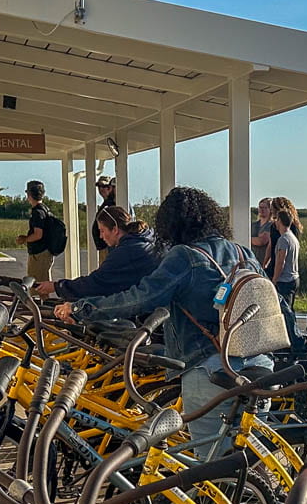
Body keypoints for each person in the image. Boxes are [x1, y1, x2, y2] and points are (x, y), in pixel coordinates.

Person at [54, 186, 272, 458]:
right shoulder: (242, 253)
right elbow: (276, 306)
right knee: (246, 463)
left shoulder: (185, 257)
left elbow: (139, 299)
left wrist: (82, 308)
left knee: (209, 471)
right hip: (258, 365)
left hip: (210, 370)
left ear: (171, 224)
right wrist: (301, 348)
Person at [37, 206, 156, 300]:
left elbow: (96, 283)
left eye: (102, 231)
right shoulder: (145, 240)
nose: (101, 236)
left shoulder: (126, 252)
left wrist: (57, 287)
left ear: (114, 229)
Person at [16, 180, 53, 283]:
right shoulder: (45, 209)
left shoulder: (37, 212)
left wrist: (24, 239)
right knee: (41, 283)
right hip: (45, 252)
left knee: (38, 285)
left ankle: (45, 300)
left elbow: (38, 234)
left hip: (39, 254)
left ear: (29, 194)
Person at [91, 175, 128, 265]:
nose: (101, 189)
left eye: (105, 186)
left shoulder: (117, 205)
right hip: (105, 245)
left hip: (110, 246)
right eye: (99, 186)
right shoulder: (106, 204)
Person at [263, 197, 301, 279]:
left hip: (280, 267)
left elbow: (280, 257)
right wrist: (265, 262)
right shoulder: (293, 227)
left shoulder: (282, 229)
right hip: (287, 267)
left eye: (272, 209)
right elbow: (271, 245)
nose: (271, 211)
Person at [271, 207, 300, 306]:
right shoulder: (293, 237)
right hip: (294, 278)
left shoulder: (283, 239)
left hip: (285, 280)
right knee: (290, 308)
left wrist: (274, 280)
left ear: (280, 220)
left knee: (285, 309)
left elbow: (280, 261)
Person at [250, 197, 272, 263]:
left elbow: (261, 241)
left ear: (270, 210)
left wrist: (247, 238)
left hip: (264, 261)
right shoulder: (253, 225)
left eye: (265, 208)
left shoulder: (271, 225)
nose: (262, 210)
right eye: (260, 207)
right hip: (252, 260)